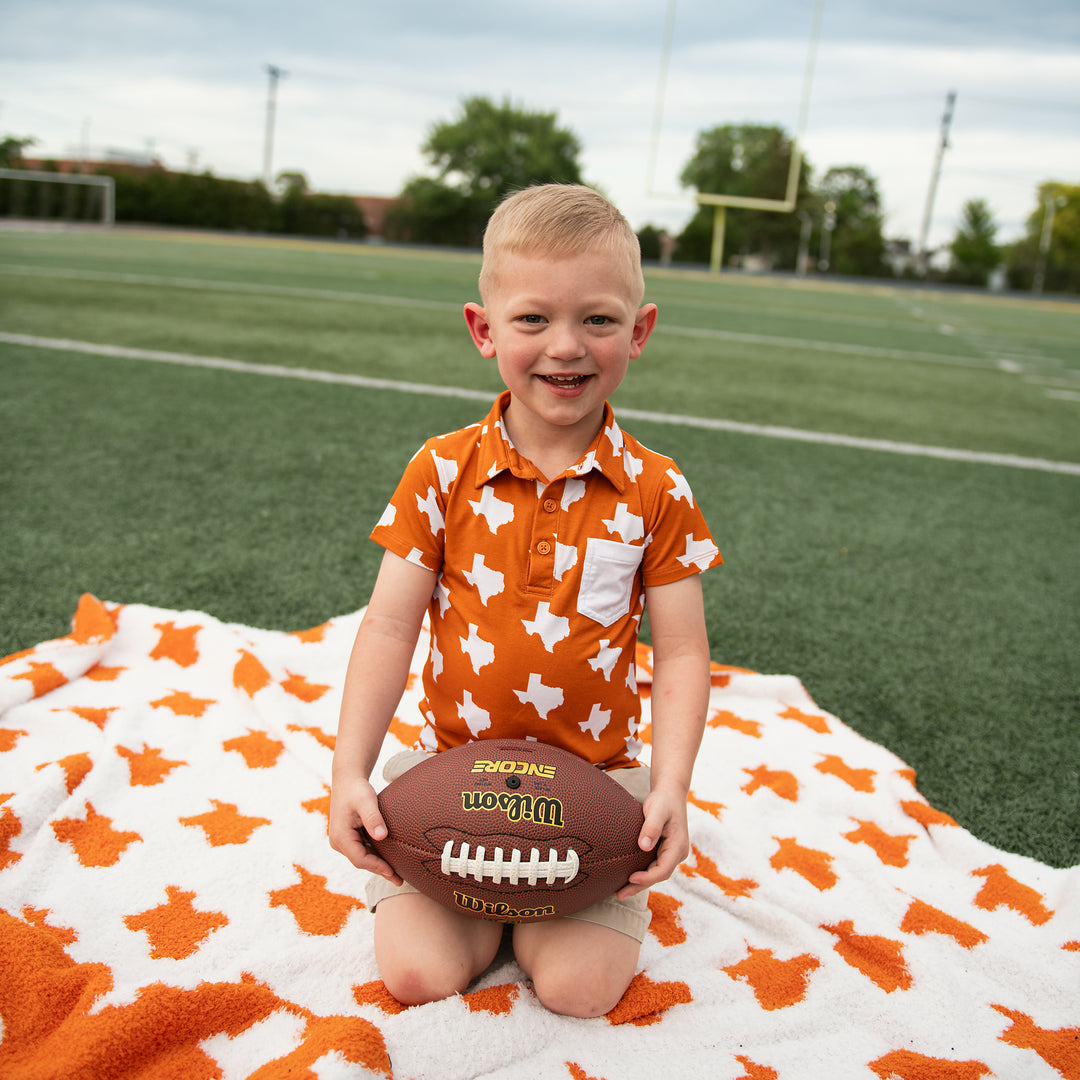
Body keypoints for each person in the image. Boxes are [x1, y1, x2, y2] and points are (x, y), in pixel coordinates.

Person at [329, 183, 722, 1018]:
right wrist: (349, 772)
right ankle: (474, 905)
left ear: (639, 332)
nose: (566, 347)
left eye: (600, 320)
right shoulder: (442, 468)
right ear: (484, 330)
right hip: (452, 778)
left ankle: (556, 909)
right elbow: (391, 624)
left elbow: (684, 651)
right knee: (416, 977)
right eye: (533, 319)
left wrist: (672, 788)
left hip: (593, 784)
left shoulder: (657, 487)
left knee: (578, 992)